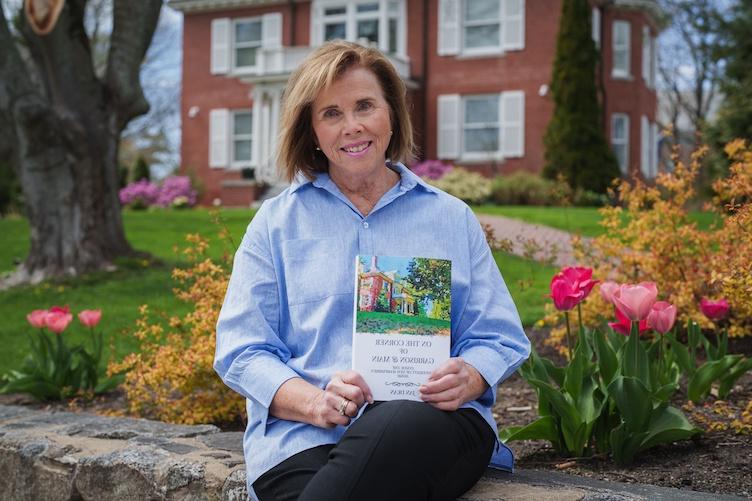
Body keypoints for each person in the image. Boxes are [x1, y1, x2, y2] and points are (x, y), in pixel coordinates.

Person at [215, 41, 531, 501]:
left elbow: (499, 335)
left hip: (432, 426)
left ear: (392, 113)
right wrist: (314, 401)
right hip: (303, 439)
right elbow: (242, 349)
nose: (352, 127)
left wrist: (473, 375)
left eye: (365, 105)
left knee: (397, 420)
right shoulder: (276, 223)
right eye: (331, 114)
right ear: (312, 131)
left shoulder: (450, 218)